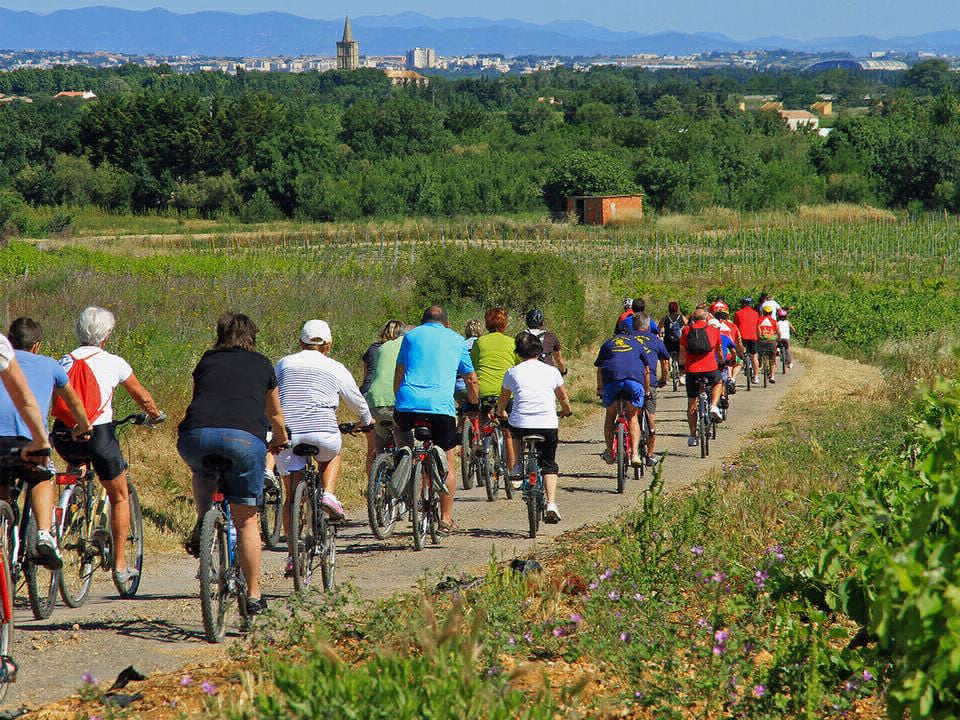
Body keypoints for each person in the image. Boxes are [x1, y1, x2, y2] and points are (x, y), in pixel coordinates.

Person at [177, 313, 288, 617]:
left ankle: (203, 520)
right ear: (252, 336)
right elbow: (275, 414)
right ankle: (253, 596)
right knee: (246, 521)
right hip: (243, 441)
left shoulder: (206, 360)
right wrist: (280, 439)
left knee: (202, 469)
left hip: (195, 436)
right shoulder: (263, 364)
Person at [53, 306, 162, 586]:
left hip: (65, 437)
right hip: (99, 436)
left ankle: (71, 505)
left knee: (75, 466)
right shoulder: (114, 362)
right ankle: (121, 565)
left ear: (79, 331)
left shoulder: (64, 360)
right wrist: (155, 416)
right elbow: (142, 397)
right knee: (120, 496)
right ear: (107, 335)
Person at [275, 320, 373, 573]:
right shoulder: (335, 367)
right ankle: (328, 493)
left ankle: (292, 554)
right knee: (332, 454)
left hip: (289, 435)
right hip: (323, 433)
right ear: (328, 344)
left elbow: (271, 395)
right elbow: (355, 399)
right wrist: (366, 421)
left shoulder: (284, 363)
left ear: (300, 342)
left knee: (290, 496)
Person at [0, 318, 92, 569]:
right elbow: (73, 403)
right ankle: (43, 534)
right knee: (41, 477)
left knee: (2, 484)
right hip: (29, 440)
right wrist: (83, 426)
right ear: (37, 346)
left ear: (9, 339)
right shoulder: (51, 366)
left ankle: (4, 527)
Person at [394, 305, 479, 534]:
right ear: (447, 323)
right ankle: (445, 518)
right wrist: (473, 403)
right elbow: (471, 379)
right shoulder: (458, 340)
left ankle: (404, 458)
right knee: (448, 464)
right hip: (441, 407)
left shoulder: (410, 336)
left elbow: (399, 372)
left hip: (407, 403)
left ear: (422, 322)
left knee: (400, 433)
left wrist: (398, 400)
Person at [496, 332, 572, 523]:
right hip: (547, 424)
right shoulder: (552, 371)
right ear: (538, 350)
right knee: (549, 464)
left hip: (521, 424)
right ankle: (552, 503)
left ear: (518, 352)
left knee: (512, 431)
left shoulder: (512, 372)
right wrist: (566, 411)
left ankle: (516, 468)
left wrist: (500, 413)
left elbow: (503, 401)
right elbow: (563, 397)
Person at [595, 325, 652, 467]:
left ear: (615, 333)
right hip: (634, 382)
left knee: (610, 416)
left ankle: (609, 452)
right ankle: (634, 455)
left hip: (612, 383)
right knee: (633, 417)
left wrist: (600, 389)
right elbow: (646, 370)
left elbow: (600, 370)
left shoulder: (608, 344)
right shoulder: (637, 343)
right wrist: (646, 390)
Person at [471, 307, 519, 474]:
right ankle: (513, 471)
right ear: (504, 325)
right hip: (506, 390)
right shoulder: (512, 342)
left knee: (483, 417)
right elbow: (518, 365)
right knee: (508, 433)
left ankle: (484, 446)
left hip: (484, 390)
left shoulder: (480, 342)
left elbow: (474, 366)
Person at [365, 322, 411, 474]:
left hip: (374, 400)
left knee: (380, 434)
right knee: (407, 442)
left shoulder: (382, 347)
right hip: (396, 401)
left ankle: (380, 466)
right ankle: (406, 479)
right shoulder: (410, 347)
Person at [679, 308, 724, 447]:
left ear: (693, 318)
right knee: (718, 382)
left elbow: (682, 352)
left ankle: (693, 436)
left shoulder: (686, 331)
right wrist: (722, 361)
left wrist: (682, 367)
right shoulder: (714, 330)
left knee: (692, 403)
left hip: (692, 370)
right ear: (707, 319)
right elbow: (719, 351)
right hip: (710, 368)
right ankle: (714, 406)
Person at [630, 313, 670, 466]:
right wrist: (663, 379)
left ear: (633, 326)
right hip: (650, 382)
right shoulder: (655, 340)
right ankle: (651, 454)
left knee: (630, 413)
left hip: (631, 379)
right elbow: (665, 363)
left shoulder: (628, 338)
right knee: (650, 416)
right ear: (647, 326)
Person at [517, 309, 566, 374]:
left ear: (527, 322)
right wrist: (563, 370)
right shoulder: (550, 336)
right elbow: (558, 358)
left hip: (526, 371)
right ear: (542, 322)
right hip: (547, 371)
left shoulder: (521, 336)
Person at [712, 302, 745, 391]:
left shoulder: (712, 326)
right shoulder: (733, 326)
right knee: (739, 362)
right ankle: (732, 379)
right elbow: (739, 343)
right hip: (729, 353)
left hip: (714, 354)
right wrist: (741, 353)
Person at [454, 319, 483, 411]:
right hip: (477, 386)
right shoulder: (482, 344)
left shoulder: (461, 344)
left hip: (458, 387)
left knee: (462, 412)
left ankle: (460, 424)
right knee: (481, 412)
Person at [659, 301, 686, 384]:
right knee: (682, 357)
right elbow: (688, 325)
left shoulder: (665, 318)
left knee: (665, 359)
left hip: (668, 342)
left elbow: (659, 328)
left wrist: (660, 333)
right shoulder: (681, 317)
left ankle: (665, 378)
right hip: (679, 341)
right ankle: (682, 375)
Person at [734, 297, 760, 382]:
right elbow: (757, 327)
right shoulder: (756, 314)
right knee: (754, 357)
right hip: (753, 337)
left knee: (740, 354)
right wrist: (758, 337)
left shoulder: (738, 313)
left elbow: (735, 327)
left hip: (742, 337)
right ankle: (756, 377)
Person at [757, 304, 780, 383]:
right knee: (772, 359)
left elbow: (757, 329)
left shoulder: (759, 319)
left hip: (762, 341)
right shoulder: (774, 321)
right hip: (771, 341)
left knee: (759, 352)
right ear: (771, 313)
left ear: (763, 312)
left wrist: (759, 337)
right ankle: (772, 376)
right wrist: (777, 340)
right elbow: (778, 332)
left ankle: (760, 362)